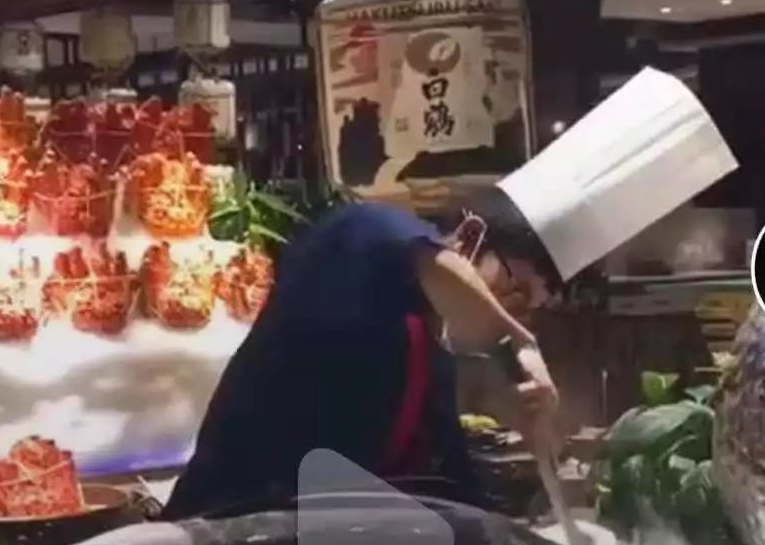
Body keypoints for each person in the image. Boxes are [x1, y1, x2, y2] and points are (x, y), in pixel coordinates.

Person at [163, 190, 563, 520]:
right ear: (471, 238)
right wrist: (520, 342)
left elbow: (452, 489)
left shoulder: (434, 361)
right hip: (221, 526)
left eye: (530, 309)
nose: (515, 311)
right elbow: (395, 240)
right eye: (517, 290)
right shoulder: (356, 241)